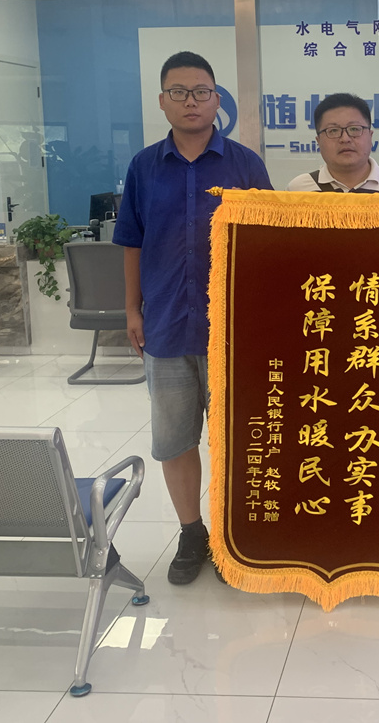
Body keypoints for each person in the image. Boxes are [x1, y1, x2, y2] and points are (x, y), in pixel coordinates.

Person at [114, 51, 273, 585]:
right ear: (162, 101)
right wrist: (132, 308)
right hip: (166, 326)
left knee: (238, 439)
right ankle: (191, 532)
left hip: (234, 332)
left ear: (216, 99)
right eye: (179, 92)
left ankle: (232, 536)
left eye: (201, 92)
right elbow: (132, 242)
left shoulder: (245, 165)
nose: (191, 102)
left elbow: (270, 244)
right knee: (176, 439)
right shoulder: (143, 167)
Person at [287, 92, 379, 193]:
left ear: (370, 136)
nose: (345, 139)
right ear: (318, 141)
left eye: (354, 129)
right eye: (333, 130)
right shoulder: (298, 190)